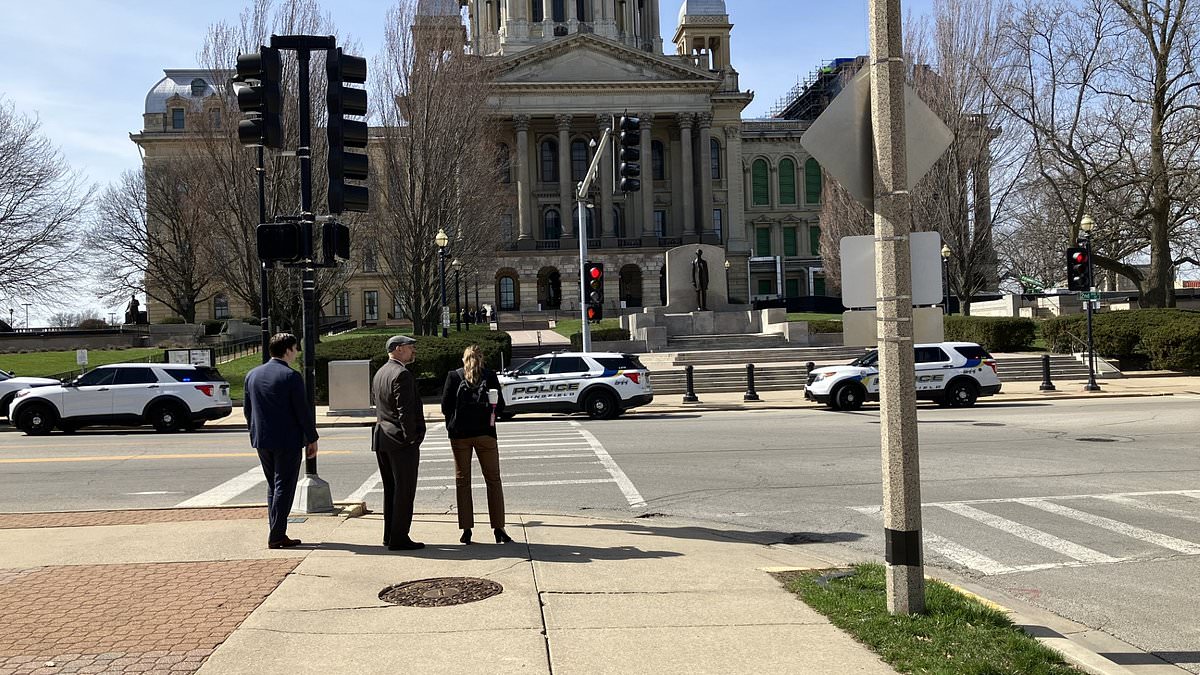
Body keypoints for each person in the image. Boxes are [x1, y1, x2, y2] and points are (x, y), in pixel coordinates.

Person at [243, 333, 318, 549]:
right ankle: (276, 534)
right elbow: (302, 412)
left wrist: (254, 432)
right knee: (284, 486)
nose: (297, 353)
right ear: (287, 350)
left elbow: (248, 411)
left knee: (273, 487)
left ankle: (276, 530)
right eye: (295, 348)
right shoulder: (291, 376)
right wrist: (311, 438)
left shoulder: (252, 375)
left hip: (262, 438)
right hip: (287, 439)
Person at [440, 345, 512, 545]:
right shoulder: (489, 376)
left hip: (460, 436)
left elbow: (445, 407)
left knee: (463, 481)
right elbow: (501, 408)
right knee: (493, 480)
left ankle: (466, 530)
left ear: (464, 359)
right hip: (486, 435)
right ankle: (498, 528)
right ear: (482, 358)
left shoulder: (454, 376)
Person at [372, 335, 426, 551]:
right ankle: (400, 537)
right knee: (404, 490)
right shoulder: (401, 373)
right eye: (411, 348)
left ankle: (390, 534)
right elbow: (405, 411)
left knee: (391, 489)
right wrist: (412, 438)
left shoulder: (380, 372)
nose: (414, 351)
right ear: (399, 349)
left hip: (383, 438)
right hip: (400, 441)